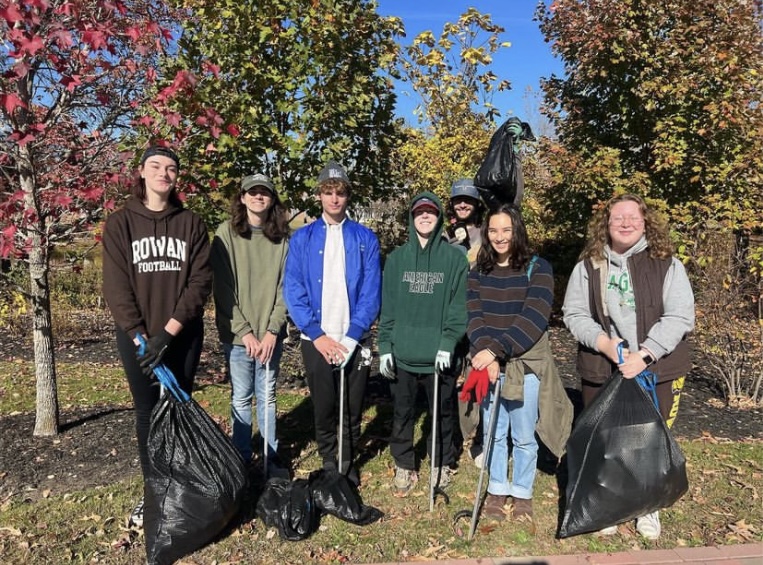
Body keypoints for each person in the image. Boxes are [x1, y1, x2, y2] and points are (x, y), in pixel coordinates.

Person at [562, 193, 695, 540]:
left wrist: (646, 353)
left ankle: (647, 508)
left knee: (648, 439)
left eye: (632, 217)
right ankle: (607, 504)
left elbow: (680, 315)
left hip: (655, 367)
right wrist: (605, 344)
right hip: (603, 368)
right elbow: (574, 314)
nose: (625, 222)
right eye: (617, 217)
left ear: (645, 221)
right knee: (605, 439)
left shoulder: (667, 264)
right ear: (605, 224)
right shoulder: (588, 266)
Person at [102, 145, 213, 528]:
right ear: (142, 173)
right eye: (156, 166)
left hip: (181, 337)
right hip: (137, 340)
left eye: (171, 168)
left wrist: (168, 334)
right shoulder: (120, 224)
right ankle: (154, 493)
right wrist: (140, 335)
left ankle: (181, 487)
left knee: (178, 411)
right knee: (148, 412)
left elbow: (200, 282)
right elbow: (116, 287)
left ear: (176, 178)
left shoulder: (191, 224)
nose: (163, 173)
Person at [465, 203, 569, 522]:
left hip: (525, 364)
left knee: (523, 435)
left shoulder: (538, 268)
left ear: (517, 231)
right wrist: (487, 353)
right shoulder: (477, 272)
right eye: (493, 230)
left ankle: (522, 491)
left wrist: (496, 351)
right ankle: (497, 487)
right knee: (494, 432)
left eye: (506, 230)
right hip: (488, 363)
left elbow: (533, 318)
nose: (499, 237)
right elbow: (474, 316)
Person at [283, 160, 381, 486]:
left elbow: (371, 292)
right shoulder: (303, 239)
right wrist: (317, 335)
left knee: (352, 410)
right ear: (320, 196)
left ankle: (347, 463)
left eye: (340, 192)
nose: (334, 199)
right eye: (328, 192)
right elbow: (294, 290)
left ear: (347, 196)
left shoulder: (365, 238)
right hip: (317, 341)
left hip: (354, 339)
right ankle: (329, 460)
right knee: (324, 407)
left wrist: (353, 336)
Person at [377, 192, 468, 495]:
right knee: (402, 412)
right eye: (419, 212)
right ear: (412, 218)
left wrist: (448, 341)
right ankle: (404, 464)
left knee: (442, 412)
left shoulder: (454, 259)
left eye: (431, 212)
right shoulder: (397, 259)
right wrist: (385, 346)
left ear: (440, 216)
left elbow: (459, 306)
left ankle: (441, 462)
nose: (425, 216)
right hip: (404, 354)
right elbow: (388, 308)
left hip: (439, 357)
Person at [210, 173, 290, 478]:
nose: (259, 197)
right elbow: (223, 289)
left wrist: (272, 330)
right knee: (241, 397)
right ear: (242, 198)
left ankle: (271, 458)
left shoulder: (282, 239)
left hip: (270, 336)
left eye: (265, 193)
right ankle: (242, 458)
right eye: (252, 192)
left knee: (267, 397)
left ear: (272, 200)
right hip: (238, 337)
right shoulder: (225, 235)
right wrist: (244, 333)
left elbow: (286, 288)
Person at [444, 178, 487, 464]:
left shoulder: (486, 233)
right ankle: (456, 434)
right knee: (452, 376)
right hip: (451, 313)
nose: (462, 204)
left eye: (468, 200)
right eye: (458, 200)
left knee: (479, 371)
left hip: (480, 313)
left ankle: (481, 436)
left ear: (476, 205)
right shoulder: (444, 234)